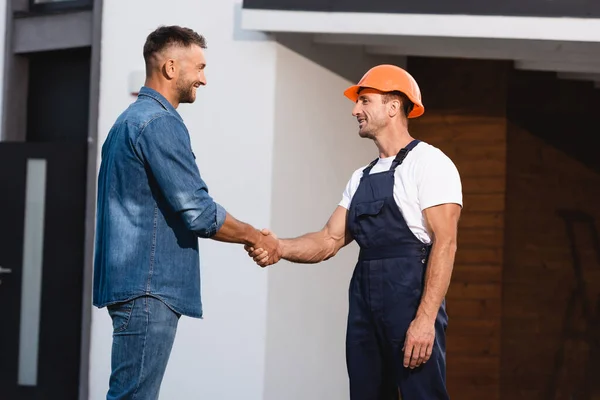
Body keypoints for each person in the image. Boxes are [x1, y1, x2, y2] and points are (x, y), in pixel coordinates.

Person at [247, 64, 462, 399]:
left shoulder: (431, 164)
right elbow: (329, 239)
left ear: (393, 107)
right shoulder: (360, 177)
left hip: (409, 299)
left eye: (364, 101)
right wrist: (279, 247)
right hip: (365, 301)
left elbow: (445, 245)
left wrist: (424, 320)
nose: (354, 110)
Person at [93, 25, 280, 400]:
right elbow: (197, 211)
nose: (204, 79)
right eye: (199, 68)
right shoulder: (158, 122)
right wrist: (256, 237)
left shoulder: (126, 122)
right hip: (149, 289)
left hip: (136, 288)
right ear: (171, 68)